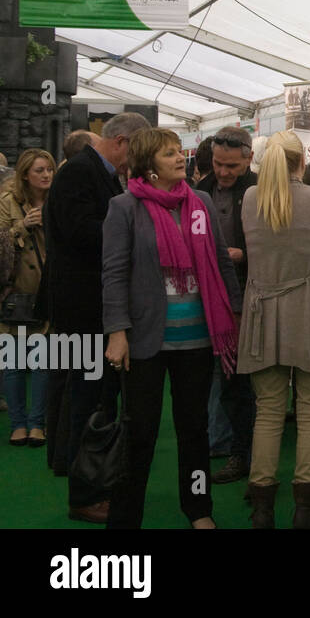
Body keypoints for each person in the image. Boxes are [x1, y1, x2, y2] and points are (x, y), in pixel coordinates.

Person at [102, 128, 242, 528]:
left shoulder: (198, 203)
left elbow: (219, 260)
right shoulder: (124, 207)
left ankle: (199, 510)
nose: (180, 158)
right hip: (145, 339)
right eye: (168, 154)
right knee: (140, 434)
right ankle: (126, 516)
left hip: (198, 338)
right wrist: (117, 331)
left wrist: (234, 313)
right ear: (148, 165)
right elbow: (113, 274)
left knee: (194, 431)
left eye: (179, 152)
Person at [44, 111, 150, 523]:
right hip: (83, 308)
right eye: (136, 153)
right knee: (88, 403)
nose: (135, 164)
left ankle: (93, 487)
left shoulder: (95, 172)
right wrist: (131, 227)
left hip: (91, 307)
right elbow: (79, 233)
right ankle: (85, 495)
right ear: (122, 141)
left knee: (98, 400)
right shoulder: (79, 172)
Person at [238, 131, 310, 529]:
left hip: (262, 313)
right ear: (302, 161)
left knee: (267, 412)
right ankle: (305, 509)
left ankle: (263, 507)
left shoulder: (250, 199)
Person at [197, 126, 256, 486]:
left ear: (248, 158)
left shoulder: (261, 190)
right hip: (206, 296)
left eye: (231, 165)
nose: (223, 172)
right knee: (209, 377)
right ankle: (218, 443)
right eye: (219, 163)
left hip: (248, 296)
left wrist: (244, 255)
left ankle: (241, 453)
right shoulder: (199, 189)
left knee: (239, 382)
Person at [0, 148, 55, 447]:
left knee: (44, 362)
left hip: (47, 291)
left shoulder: (58, 202)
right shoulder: (8, 203)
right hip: (17, 294)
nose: (46, 175)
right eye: (39, 170)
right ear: (25, 175)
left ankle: (37, 424)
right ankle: (18, 424)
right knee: (14, 364)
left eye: (49, 169)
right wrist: (23, 226)